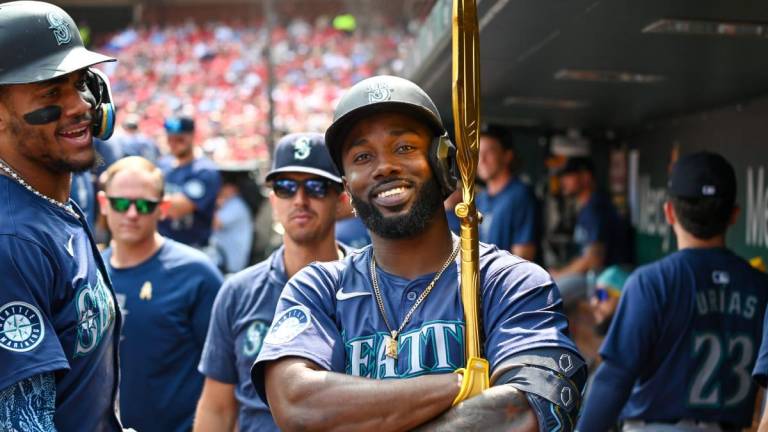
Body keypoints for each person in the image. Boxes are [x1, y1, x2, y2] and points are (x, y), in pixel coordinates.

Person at [252, 75, 585, 431]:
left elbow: (522, 412)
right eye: (363, 156)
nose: (384, 167)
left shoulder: (510, 282)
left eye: (404, 148)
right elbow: (296, 404)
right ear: (347, 188)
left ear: (444, 164)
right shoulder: (319, 288)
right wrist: (467, 383)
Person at [578, 152, 768, 431]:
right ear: (734, 215)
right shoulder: (760, 285)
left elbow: (614, 379)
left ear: (668, 212)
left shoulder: (651, 282)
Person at [0, 2, 123, 430]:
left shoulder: (49, 205)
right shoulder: (12, 241)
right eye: (51, 91)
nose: (79, 105)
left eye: (81, 83)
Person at [195, 132, 350, 431]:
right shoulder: (238, 292)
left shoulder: (370, 283)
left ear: (341, 198)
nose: (300, 200)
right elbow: (217, 407)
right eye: (286, 187)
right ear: (273, 198)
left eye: (316, 187)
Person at [99, 156, 223, 432]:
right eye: (121, 203)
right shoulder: (88, 272)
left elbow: (226, 373)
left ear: (163, 209)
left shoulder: (196, 273)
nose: (131, 213)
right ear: (103, 204)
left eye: (144, 205)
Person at [551, 156, 630, 304]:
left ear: (586, 177)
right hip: (594, 277)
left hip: (606, 281)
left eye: (569, 176)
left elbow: (593, 260)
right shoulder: (588, 207)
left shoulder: (596, 208)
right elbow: (584, 255)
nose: (563, 181)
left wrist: (560, 275)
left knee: (549, 293)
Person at [157, 115, 222, 248]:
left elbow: (176, 209)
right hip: (163, 245)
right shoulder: (163, 164)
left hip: (193, 247)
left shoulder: (204, 170)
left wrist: (143, 199)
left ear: (192, 137)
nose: (174, 143)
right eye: (170, 138)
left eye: (180, 139)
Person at [476, 124, 538, 261]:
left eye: (489, 152)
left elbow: (523, 258)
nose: (482, 160)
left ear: (507, 156)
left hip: (510, 280)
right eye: (478, 152)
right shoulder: (480, 199)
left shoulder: (520, 195)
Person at [210, 175, 253, 273]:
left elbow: (215, 223)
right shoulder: (228, 203)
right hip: (222, 261)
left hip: (230, 266)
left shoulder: (236, 204)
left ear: (232, 188)